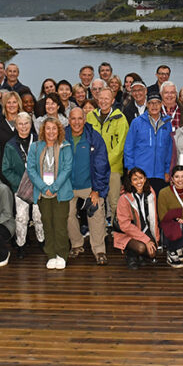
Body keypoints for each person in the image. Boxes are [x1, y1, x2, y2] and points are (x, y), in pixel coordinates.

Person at [26, 117, 73, 270]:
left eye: (54, 128)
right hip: (42, 193)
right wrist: (42, 186)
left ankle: (61, 254)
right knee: (47, 222)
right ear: (43, 130)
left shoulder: (65, 146)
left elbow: (67, 169)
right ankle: (51, 254)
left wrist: (53, 187)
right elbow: (31, 169)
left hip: (60, 192)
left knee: (59, 224)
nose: (51, 132)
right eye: (48, 128)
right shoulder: (35, 147)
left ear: (59, 130)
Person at [64, 108, 110, 264]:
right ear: (68, 120)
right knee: (67, 213)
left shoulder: (94, 138)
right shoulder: (62, 136)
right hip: (68, 185)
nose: (76, 122)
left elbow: (101, 165)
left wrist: (97, 190)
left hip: (89, 185)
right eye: (73, 119)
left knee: (96, 211)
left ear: (84, 120)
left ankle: (99, 250)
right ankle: (77, 244)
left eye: (79, 119)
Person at [1, 112, 44, 258]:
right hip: (20, 187)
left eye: (26, 123)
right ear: (16, 125)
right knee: (21, 217)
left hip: (39, 186)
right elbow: (6, 169)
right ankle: (21, 244)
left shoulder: (40, 142)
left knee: (39, 216)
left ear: (31, 125)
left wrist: (40, 181)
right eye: (20, 124)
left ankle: (42, 240)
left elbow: (47, 163)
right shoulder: (10, 145)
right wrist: (21, 183)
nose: (23, 126)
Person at [86, 87, 129, 227]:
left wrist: (103, 163)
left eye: (107, 98)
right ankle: (100, 229)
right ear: (97, 100)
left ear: (112, 101)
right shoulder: (90, 117)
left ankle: (118, 229)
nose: (103, 101)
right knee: (96, 200)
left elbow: (120, 145)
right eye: (101, 98)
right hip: (93, 168)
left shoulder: (120, 118)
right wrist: (96, 164)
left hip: (113, 167)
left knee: (114, 201)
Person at [123, 88, 174, 195]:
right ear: (147, 104)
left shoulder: (167, 123)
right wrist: (131, 168)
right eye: (151, 103)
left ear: (162, 104)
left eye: (157, 103)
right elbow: (129, 146)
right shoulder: (137, 122)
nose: (154, 106)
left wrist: (167, 170)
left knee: (157, 205)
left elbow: (169, 148)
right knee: (142, 205)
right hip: (141, 173)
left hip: (160, 174)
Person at [113, 167, 159, 269]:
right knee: (141, 247)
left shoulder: (150, 194)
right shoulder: (124, 198)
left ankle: (140, 256)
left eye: (141, 178)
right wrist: (146, 240)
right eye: (135, 179)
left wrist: (155, 239)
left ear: (145, 178)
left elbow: (153, 218)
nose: (139, 182)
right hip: (128, 233)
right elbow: (125, 226)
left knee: (153, 253)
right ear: (130, 182)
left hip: (144, 230)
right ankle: (131, 255)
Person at [156, 165, 183, 268]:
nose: (180, 180)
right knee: (178, 228)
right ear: (172, 179)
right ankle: (171, 251)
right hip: (168, 228)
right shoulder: (164, 193)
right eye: (177, 177)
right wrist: (182, 212)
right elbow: (163, 217)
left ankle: (179, 247)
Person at [0, 91, 23, 176]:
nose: (11, 105)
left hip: (24, 169)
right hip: (4, 170)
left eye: (14, 102)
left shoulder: (26, 121)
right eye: (8, 102)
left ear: (19, 104)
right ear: (4, 105)